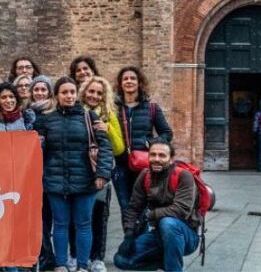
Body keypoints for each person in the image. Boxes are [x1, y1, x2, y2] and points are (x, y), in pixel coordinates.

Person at [33, 77, 113, 272]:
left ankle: (82, 265)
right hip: (54, 180)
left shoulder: (89, 117)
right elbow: (36, 149)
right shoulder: (46, 120)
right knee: (60, 224)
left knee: (83, 224)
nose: (69, 96)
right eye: (64, 92)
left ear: (77, 94)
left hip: (85, 180)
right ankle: (61, 264)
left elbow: (105, 146)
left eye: (72, 92)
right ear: (56, 95)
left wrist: (102, 173)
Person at [113, 139, 201, 272]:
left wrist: (151, 214)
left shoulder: (184, 176)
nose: (156, 159)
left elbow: (181, 210)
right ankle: (166, 262)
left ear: (171, 159)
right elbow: (133, 208)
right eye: (153, 155)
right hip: (159, 234)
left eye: (162, 155)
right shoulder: (145, 175)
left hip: (186, 235)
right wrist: (129, 234)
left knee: (168, 223)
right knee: (121, 260)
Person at [112, 66, 172, 214]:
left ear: (139, 83)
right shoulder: (113, 109)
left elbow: (166, 133)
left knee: (143, 206)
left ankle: (142, 236)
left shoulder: (151, 108)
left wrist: (150, 144)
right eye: (125, 79)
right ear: (120, 84)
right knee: (125, 207)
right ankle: (130, 237)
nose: (129, 81)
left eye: (133, 78)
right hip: (120, 164)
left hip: (143, 164)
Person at [81, 76, 122, 271]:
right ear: (84, 92)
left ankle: (97, 257)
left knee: (99, 216)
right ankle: (80, 256)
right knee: (80, 217)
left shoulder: (108, 114)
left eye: (99, 93)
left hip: (101, 172)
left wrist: (108, 130)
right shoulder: (77, 111)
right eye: (91, 91)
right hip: (80, 172)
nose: (94, 96)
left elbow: (120, 148)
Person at [29, 75, 57, 270]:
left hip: (48, 171)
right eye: (36, 89)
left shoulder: (54, 114)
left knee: (46, 219)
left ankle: (47, 257)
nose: (39, 93)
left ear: (49, 92)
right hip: (28, 174)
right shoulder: (26, 113)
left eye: (43, 89)